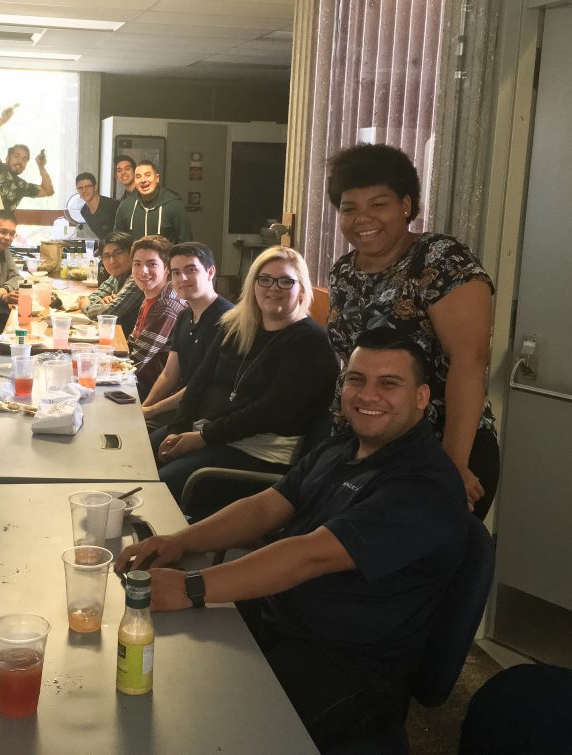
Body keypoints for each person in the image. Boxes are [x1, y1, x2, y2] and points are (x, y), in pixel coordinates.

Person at [117, 329, 469, 751]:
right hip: (282, 616)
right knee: (163, 664)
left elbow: (310, 556)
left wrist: (192, 586)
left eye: (389, 383)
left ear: (422, 397)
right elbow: (267, 506)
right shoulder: (344, 448)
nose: (367, 395)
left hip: (345, 662)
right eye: (356, 379)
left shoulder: (422, 485)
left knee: (199, 727)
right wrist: (180, 541)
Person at [325, 142, 499, 518]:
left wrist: (451, 464)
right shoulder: (342, 272)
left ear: (406, 205)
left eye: (378, 204)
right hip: (363, 442)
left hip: (439, 443)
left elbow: (470, 362)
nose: (362, 218)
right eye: (349, 208)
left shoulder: (440, 258)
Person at [152, 246, 339, 511]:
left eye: (286, 281)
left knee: (160, 487)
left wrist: (203, 437)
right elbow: (198, 383)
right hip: (212, 431)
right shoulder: (234, 324)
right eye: (265, 279)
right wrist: (177, 428)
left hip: (260, 454)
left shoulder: (310, 342)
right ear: (253, 284)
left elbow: (269, 412)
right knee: (140, 457)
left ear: (301, 289)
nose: (273, 288)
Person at [141, 242, 232, 426]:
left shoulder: (227, 320)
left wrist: (152, 411)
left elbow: (201, 385)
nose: (182, 278)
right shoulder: (184, 315)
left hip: (205, 417)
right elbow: (169, 374)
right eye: (175, 272)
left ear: (210, 272)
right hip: (182, 407)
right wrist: (144, 409)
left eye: (191, 270)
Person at [127, 235, 188, 398]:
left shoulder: (166, 304)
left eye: (151, 264)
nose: (143, 271)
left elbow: (136, 361)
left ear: (167, 269)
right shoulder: (152, 294)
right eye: (137, 264)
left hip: (155, 389)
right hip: (142, 376)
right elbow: (134, 340)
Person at [0, 106, 54, 211]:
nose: (20, 161)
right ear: (7, 157)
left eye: (25, 159)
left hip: (4, 226)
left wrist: (41, 167)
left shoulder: (21, 186)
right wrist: (1, 121)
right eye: (16, 156)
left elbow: (48, 191)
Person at [76, 231, 143, 335]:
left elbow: (109, 312)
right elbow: (94, 296)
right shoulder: (116, 276)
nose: (112, 261)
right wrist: (101, 302)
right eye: (106, 256)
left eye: (118, 253)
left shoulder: (137, 278)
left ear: (132, 253)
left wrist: (85, 307)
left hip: (130, 343)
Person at [114, 160, 192, 244]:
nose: (143, 180)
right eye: (138, 176)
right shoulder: (125, 206)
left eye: (147, 175)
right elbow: (117, 243)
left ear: (157, 178)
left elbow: (185, 242)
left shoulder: (174, 205)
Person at [75, 172, 120, 240]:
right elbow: (102, 237)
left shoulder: (113, 205)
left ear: (95, 187)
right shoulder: (84, 211)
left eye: (87, 186)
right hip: (107, 247)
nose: (84, 190)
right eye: (80, 188)